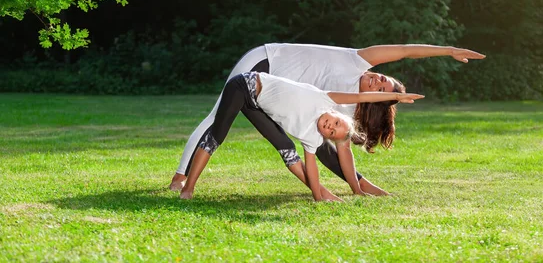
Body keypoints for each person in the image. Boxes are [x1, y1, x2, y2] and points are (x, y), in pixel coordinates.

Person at [171, 43, 485, 194]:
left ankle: (330, 190)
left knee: (294, 143)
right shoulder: (358, 60)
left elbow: (329, 150)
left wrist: (358, 184)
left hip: (269, 94)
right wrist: (447, 51)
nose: (376, 80)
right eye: (381, 78)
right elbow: (403, 50)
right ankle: (180, 179)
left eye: (382, 88)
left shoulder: (342, 112)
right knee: (217, 116)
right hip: (266, 61)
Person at [179, 71, 425, 200]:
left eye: (330, 131)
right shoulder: (326, 98)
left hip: (256, 105)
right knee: (217, 134)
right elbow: (362, 97)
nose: (329, 125)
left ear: (325, 136)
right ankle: (188, 187)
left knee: (288, 150)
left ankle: (323, 194)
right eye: (335, 122)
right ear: (337, 114)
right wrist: (396, 97)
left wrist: (317, 195)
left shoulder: (311, 138)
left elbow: (312, 167)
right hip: (245, 85)